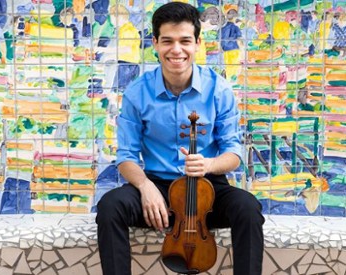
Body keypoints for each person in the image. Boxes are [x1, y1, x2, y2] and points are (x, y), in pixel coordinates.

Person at [96, 2, 265, 275]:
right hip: (158, 191)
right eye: (168, 41)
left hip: (206, 190)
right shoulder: (137, 93)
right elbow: (126, 156)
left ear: (198, 43)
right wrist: (145, 186)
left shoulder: (219, 90)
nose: (177, 50)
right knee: (110, 206)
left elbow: (233, 152)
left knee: (248, 208)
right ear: (155, 43)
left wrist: (207, 165)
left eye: (185, 41)